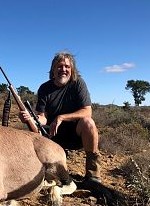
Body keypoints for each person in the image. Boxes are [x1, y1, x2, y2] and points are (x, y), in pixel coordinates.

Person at [19, 51, 101, 183]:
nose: (63, 69)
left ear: (72, 69)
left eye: (67, 66)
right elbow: (43, 117)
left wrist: (61, 117)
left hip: (75, 134)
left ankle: (93, 174)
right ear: (53, 69)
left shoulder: (78, 83)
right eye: (59, 66)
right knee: (32, 132)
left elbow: (87, 111)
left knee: (88, 123)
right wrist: (31, 119)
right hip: (52, 135)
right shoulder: (44, 88)